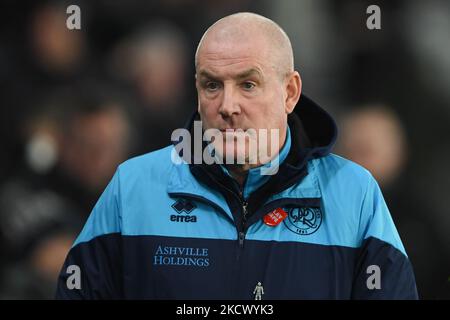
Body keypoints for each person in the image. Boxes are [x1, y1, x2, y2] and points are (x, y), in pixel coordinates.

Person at [56, 12, 418, 299]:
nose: (227, 106)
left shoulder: (354, 195)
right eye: (212, 85)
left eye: (248, 84)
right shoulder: (132, 187)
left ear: (290, 93)